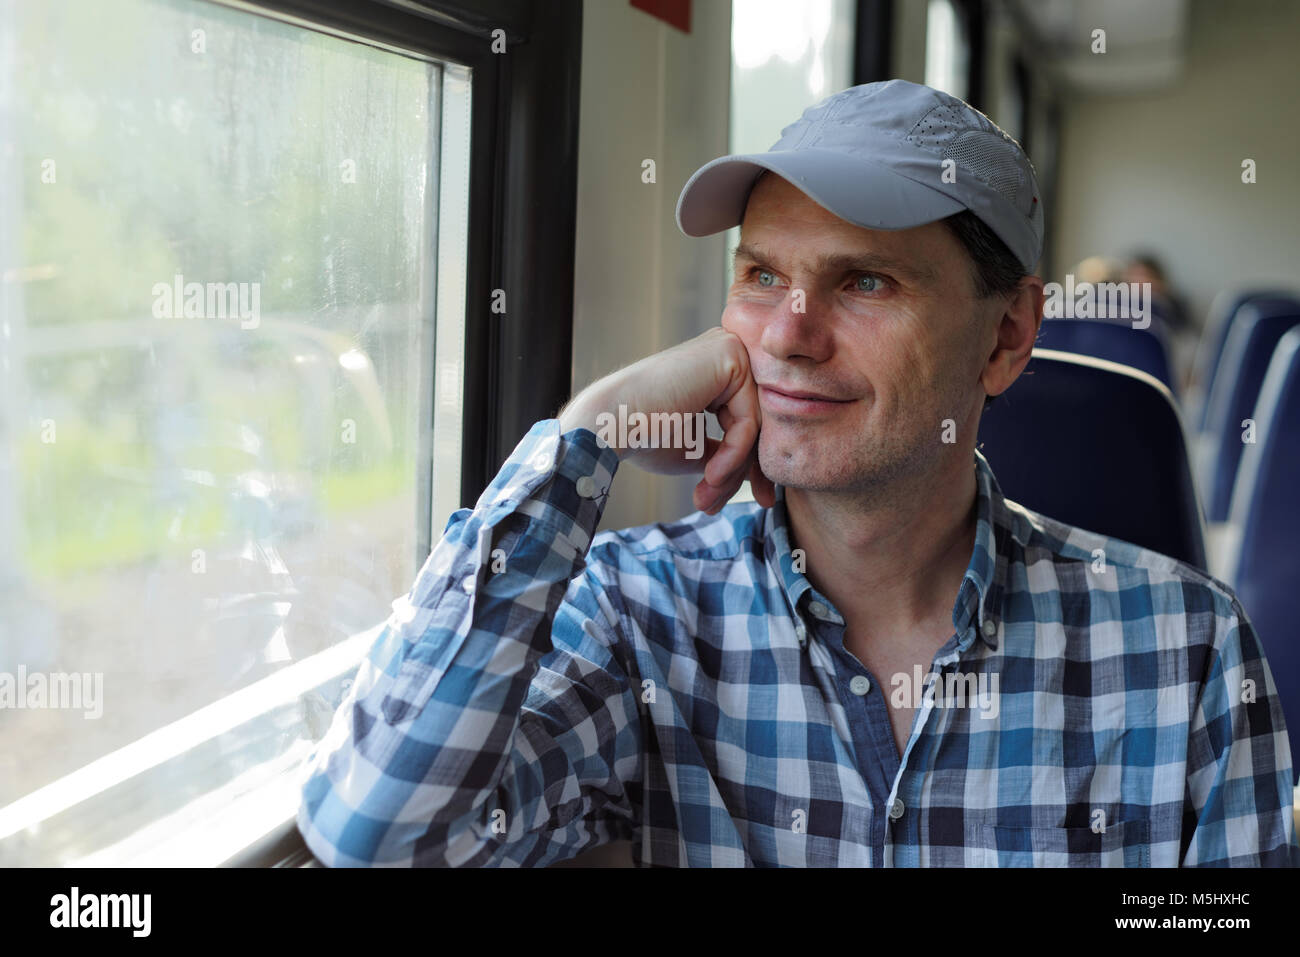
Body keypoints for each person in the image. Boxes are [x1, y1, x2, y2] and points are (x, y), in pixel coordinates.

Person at [296, 80, 1297, 867]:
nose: (787, 336)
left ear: (1007, 335)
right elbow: (378, 836)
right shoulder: (636, 617)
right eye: (761, 275)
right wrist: (588, 431)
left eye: (863, 281)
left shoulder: (1182, 646)